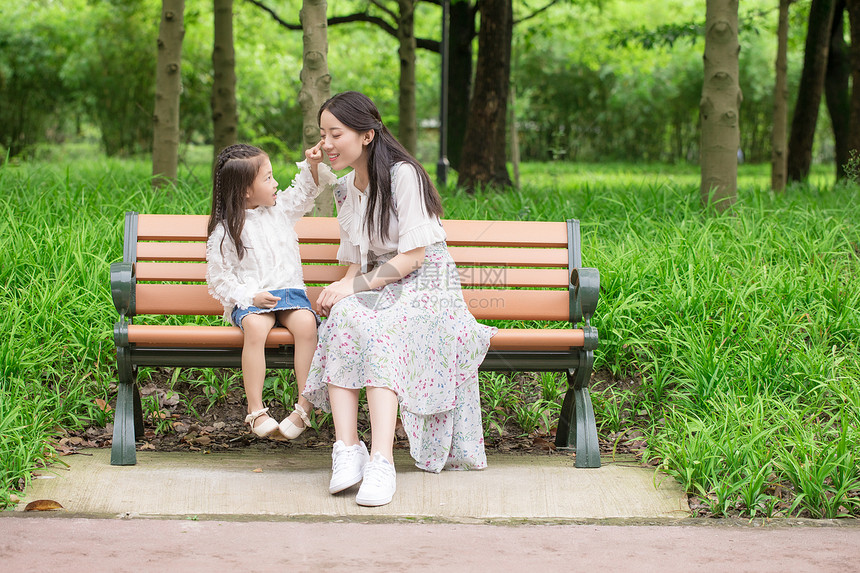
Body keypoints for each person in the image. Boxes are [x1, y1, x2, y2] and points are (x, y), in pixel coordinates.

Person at [303, 91, 497, 507]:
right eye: (323, 133)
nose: (327, 143)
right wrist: (344, 290)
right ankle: (347, 449)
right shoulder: (345, 189)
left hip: (428, 285)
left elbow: (413, 257)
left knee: (382, 329)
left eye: (336, 133)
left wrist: (353, 288)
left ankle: (381, 462)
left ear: (367, 135)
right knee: (342, 321)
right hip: (382, 282)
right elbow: (358, 258)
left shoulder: (403, 175)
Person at [206, 142, 336, 440]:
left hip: (289, 295)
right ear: (245, 191)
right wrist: (251, 296)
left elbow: (304, 193)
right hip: (254, 299)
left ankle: (303, 409)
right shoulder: (226, 230)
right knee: (255, 326)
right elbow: (220, 279)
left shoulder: (280, 210)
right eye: (267, 178)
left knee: (306, 325)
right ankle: (256, 411)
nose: (275, 183)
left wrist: (312, 164)